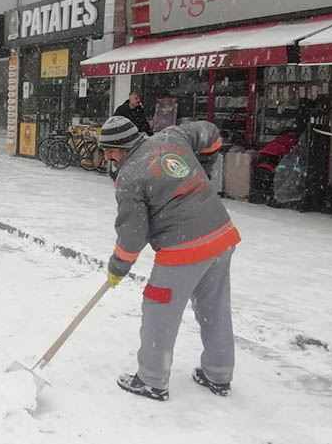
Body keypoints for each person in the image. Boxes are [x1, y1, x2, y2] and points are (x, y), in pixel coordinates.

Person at [99, 116, 240, 401]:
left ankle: (151, 380)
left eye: (108, 150)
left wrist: (118, 266)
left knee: (159, 310)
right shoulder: (171, 136)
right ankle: (218, 374)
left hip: (182, 250)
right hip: (221, 235)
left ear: (120, 147)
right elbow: (210, 134)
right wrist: (205, 168)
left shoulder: (129, 177)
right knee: (214, 307)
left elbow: (133, 234)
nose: (107, 157)